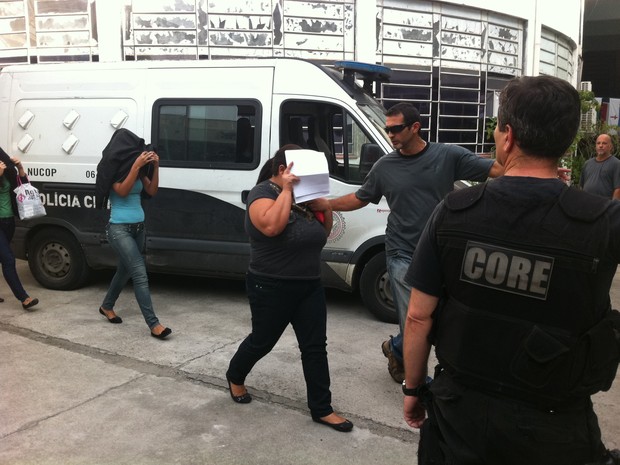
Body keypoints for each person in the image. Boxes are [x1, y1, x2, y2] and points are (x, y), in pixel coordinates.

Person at [402, 75, 620, 465]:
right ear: (568, 142)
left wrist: (413, 389)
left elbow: (418, 317)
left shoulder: (453, 211)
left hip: (459, 419)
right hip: (556, 427)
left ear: (508, 136)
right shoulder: (604, 222)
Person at [328, 103, 503, 383]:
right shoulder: (385, 166)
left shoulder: (448, 155)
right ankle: (417, 380)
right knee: (416, 320)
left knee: (437, 318)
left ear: (415, 128)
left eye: (395, 129)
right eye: (387, 129)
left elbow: (497, 169)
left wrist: (544, 175)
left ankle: (395, 348)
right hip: (401, 252)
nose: (390, 135)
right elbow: (359, 198)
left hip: (438, 251)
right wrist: (325, 204)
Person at [226, 144, 353, 432]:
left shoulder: (305, 197)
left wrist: (327, 207)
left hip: (309, 284)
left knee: (315, 347)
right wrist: (285, 191)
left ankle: (322, 408)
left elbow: (321, 234)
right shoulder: (262, 194)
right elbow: (271, 227)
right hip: (270, 284)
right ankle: (235, 375)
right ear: (283, 171)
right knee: (263, 341)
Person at [97, 130, 171, 339]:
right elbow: (121, 191)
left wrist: (155, 166)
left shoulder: (138, 171)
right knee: (139, 272)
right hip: (119, 229)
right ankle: (154, 324)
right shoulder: (111, 169)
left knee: (124, 271)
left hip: (139, 227)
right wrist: (136, 166)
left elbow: (152, 191)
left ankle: (107, 306)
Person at [0, 148, 39, 310]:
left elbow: (24, 186)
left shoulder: (7, 173)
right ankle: (24, 298)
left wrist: (20, 168)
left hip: (9, 222)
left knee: (2, 257)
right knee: (8, 259)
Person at [579, 133, 620, 199]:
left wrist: (613, 207)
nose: (600, 146)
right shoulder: (587, 164)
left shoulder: (616, 164)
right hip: (587, 205)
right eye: (598, 143)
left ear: (610, 146)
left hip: (605, 207)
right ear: (595, 146)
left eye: (604, 143)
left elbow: (618, 189)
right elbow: (581, 186)